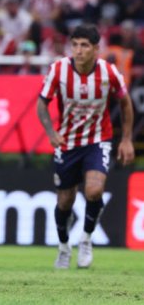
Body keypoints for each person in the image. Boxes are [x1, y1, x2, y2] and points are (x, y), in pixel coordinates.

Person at [37, 24, 134, 269]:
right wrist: (51, 133)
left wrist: (125, 139)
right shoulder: (58, 70)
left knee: (93, 190)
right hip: (67, 143)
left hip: (97, 140)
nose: (79, 51)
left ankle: (87, 239)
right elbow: (42, 104)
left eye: (85, 46)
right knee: (65, 202)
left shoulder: (109, 72)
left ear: (95, 49)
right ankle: (63, 247)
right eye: (75, 45)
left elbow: (125, 103)